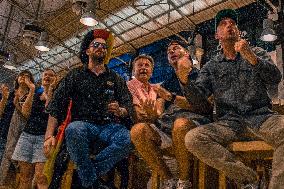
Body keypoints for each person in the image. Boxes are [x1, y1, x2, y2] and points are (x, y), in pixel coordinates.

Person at [175, 9, 283, 189]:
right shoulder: (211, 65)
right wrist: (184, 80)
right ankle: (249, 179)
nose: (229, 25)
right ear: (217, 35)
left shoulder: (257, 52)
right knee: (193, 138)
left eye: (233, 23)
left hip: (262, 118)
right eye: (223, 24)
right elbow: (200, 101)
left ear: (239, 31)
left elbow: (275, 77)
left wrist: (252, 58)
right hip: (228, 124)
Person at [44, 29, 133, 189]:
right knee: (73, 129)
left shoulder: (115, 78)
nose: (101, 48)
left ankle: (87, 178)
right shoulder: (75, 75)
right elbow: (56, 105)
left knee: (126, 138)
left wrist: (121, 110)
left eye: (104, 47)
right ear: (87, 50)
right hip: (83, 125)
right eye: (96, 45)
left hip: (109, 126)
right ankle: (94, 183)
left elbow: (128, 105)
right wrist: (48, 136)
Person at [130, 43, 212, 189]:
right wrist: (151, 114)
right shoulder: (167, 82)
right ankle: (168, 179)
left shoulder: (202, 75)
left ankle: (184, 181)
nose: (171, 51)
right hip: (167, 127)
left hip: (194, 124)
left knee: (180, 125)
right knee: (138, 130)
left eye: (176, 48)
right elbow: (159, 111)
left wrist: (172, 97)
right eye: (168, 51)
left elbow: (204, 106)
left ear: (187, 53)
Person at [11, 69, 56, 189]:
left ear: (55, 79)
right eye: (45, 74)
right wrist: (31, 89)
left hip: (44, 137)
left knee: (41, 177)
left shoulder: (57, 95)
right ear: (41, 77)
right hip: (27, 135)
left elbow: (50, 111)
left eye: (51, 75)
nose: (47, 77)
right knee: (25, 177)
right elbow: (25, 113)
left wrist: (50, 91)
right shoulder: (34, 93)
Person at [0, 70, 35, 187]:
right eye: (21, 75)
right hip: (4, 134)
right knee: (4, 170)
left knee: (19, 171)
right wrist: (4, 99)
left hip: (21, 136)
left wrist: (17, 105)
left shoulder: (32, 97)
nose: (23, 77)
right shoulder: (10, 95)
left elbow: (26, 115)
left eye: (27, 76)